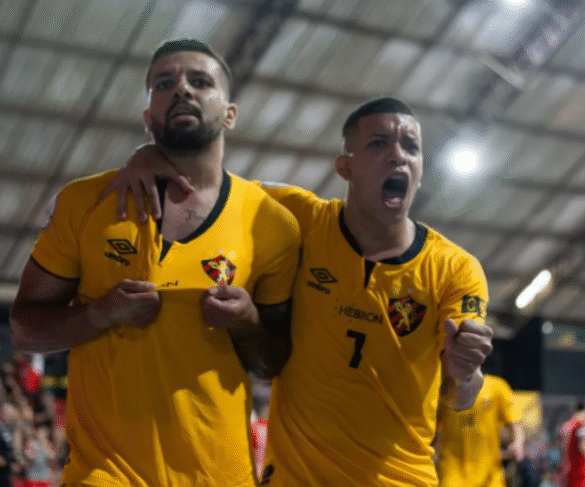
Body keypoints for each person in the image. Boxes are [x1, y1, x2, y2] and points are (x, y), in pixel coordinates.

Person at [102, 96, 494, 486]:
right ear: (346, 167)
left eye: (411, 147)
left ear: (420, 172)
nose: (398, 156)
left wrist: (466, 373)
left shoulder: (454, 269)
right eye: (379, 144)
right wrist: (146, 156)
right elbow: (205, 186)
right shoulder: (298, 217)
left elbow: (461, 398)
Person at [9, 38, 301, 487]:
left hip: (219, 475)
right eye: (164, 83)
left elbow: (272, 363)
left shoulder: (271, 222)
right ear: (148, 118)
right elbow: (25, 328)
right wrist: (101, 314)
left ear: (230, 113)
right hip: (105, 474)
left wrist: (246, 322)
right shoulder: (85, 202)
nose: (181, 89)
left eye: (200, 81)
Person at [435, 374, 525, 487]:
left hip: (490, 479)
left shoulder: (496, 387)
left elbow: (514, 422)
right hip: (452, 476)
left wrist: (518, 443)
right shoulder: (444, 388)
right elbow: (431, 426)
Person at [559, 402, 585, 487]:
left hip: (570, 473)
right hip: (582, 474)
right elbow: (583, 445)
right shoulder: (583, 425)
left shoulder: (567, 425)